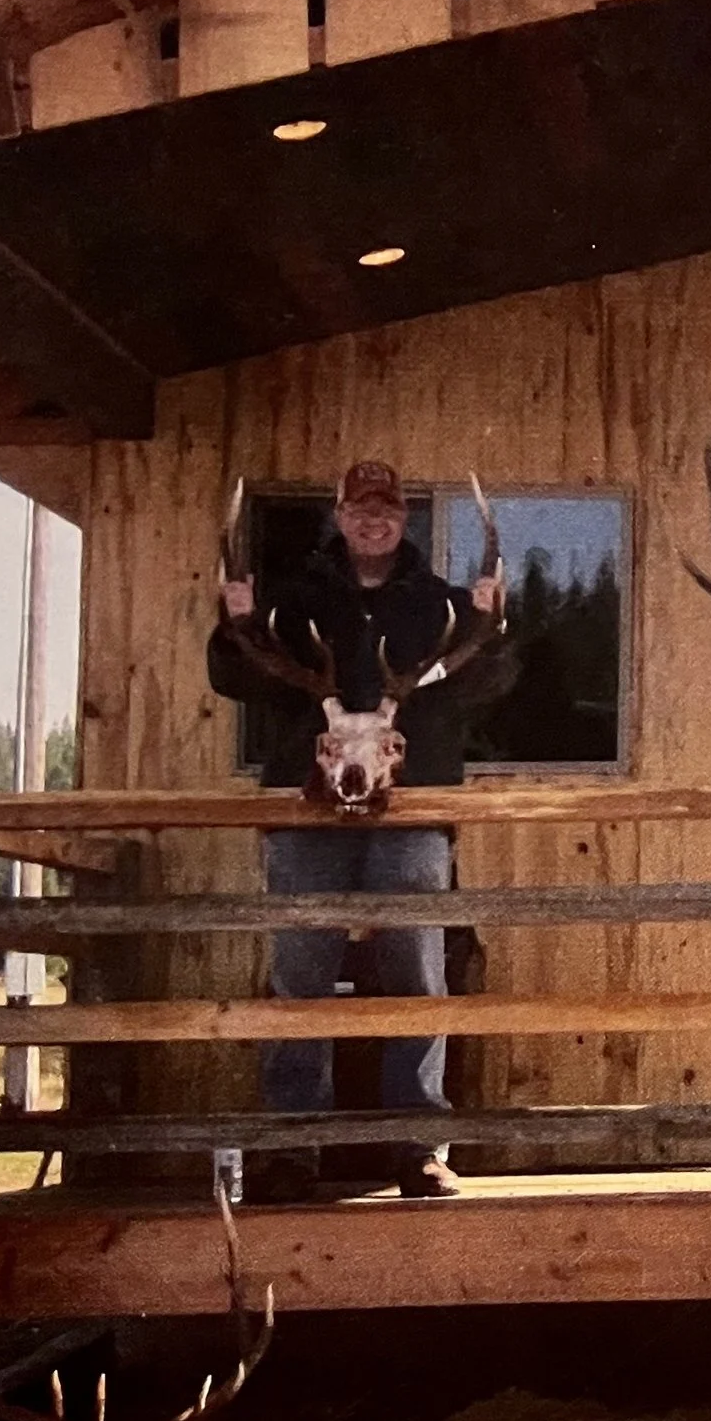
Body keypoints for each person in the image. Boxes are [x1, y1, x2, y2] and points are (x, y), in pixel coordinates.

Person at [209, 459, 510, 1202]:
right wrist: (234, 621)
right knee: (300, 972)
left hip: (411, 810)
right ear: (339, 517)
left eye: (387, 509)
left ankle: (419, 1145)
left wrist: (489, 623)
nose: (373, 520)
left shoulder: (440, 605)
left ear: (403, 519)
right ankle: (291, 1145)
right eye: (359, 509)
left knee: (417, 969)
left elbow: (494, 680)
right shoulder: (289, 602)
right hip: (307, 808)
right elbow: (234, 677)